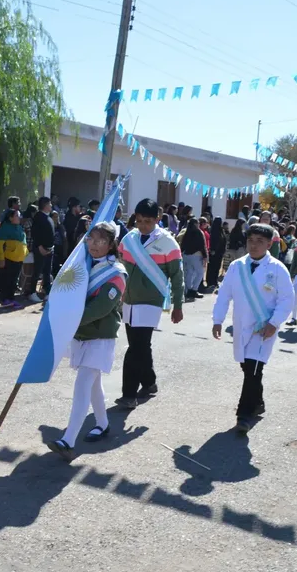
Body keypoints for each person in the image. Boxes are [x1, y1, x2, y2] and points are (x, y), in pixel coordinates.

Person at [46, 221, 127, 461]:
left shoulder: (117, 273)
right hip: (81, 334)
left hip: (100, 336)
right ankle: (102, 424)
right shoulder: (82, 265)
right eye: (91, 239)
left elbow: (101, 308)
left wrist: (67, 319)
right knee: (92, 384)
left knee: (83, 384)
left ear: (111, 245)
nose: (94, 244)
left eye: (101, 240)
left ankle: (68, 440)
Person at [212, 223, 295, 434]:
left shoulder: (277, 269)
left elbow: (286, 299)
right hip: (241, 326)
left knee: (253, 370)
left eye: (260, 241)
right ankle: (257, 402)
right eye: (250, 240)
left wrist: (274, 323)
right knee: (248, 368)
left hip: (263, 328)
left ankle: (244, 415)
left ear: (269, 244)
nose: (254, 245)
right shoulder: (236, 266)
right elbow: (224, 295)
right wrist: (218, 319)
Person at [116, 198, 184, 410]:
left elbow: (177, 275)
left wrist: (178, 304)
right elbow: (119, 266)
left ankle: (128, 394)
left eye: (148, 221)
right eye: (139, 220)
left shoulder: (167, 242)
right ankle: (149, 382)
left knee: (135, 347)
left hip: (151, 301)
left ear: (157, 219)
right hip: (128, 299)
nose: (143, 225)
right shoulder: (129, 239)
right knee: (140, 345)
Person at [0, 207, 28, 308]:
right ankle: (5, 299)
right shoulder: (4, 228)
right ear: (10, 218)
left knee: (14, 280)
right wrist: (1, 259)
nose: (19, 217)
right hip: (9, 258)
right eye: (17, 215)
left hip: (19, 258)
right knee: (7, 280)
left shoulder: (19, 227)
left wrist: (25, 252)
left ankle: (11, 299)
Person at [30, 196, 54, 303]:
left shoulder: (48, 217)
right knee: (37, 271)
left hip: (49, 249)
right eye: (50, 204)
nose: (51, 206)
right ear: (45, 205)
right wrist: (40, 247)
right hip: (41, 249)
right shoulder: (38, 217)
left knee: (47, 272)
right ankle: (31, 292)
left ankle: (47, 291)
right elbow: (35, 234)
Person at [180, 218, 207, 300]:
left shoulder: (186, 232)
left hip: (186, 255)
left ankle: (188, 290)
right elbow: (202, 245)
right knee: (200, 272)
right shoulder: (199, 232)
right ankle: (194, 290)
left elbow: (182, 244)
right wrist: (205, 256)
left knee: (189, 273)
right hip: (196, 255)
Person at [206, 217, 226, 290]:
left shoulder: (221, 230)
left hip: (219, 253)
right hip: (213, 252)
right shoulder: (212, 230)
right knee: (212, 267)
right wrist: (212, 250)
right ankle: (210, 282)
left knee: (217, 268)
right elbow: (212, 241)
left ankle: (214, 281)